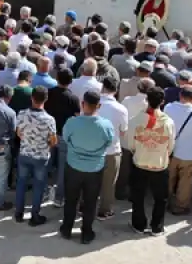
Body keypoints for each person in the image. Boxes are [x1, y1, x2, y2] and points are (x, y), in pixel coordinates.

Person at [60, 90, 114, 245]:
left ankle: (66, 229)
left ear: (83, 104)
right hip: (94, 169)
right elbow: (109, 142)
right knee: (90, 202)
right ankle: (86, 233)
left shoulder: (72, 122)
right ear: (99, 106)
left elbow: (65, 138)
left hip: (73, 166)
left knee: (71, 200)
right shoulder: (106, 125)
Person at [127, 87, 175, 235]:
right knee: (160, 198)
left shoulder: (135, 120)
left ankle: (139, 225)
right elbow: (170, 146)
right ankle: (157, 227)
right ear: (162, 102)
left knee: (138, 196)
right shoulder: (168, 122)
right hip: (159, 165)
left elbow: (130, 144)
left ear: (146, 100)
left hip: (140, 162)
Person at [14, 86, 57, 226]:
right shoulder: (49, 119)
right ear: (46, 99)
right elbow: (53, 141)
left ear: (31, 98)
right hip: (41, 157)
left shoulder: (21, 114)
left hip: (24, 153)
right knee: (39, 185)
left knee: (21, 182)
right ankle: (35, 216)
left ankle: (19, 213)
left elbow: (18, 133)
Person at [164, 86, 192, 215]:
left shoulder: (168, 108)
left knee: (168, 178)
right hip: (190, 154)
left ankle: (164, 201)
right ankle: (180, 207)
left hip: (170, 151)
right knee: (185, 182)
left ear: (180, 95)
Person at [44, 68, 81, 208]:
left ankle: (43, 191)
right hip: (65, 136)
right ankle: (59, 198)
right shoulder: (73, 98)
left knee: (46, 164)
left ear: (57, 78)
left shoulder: (48, 93)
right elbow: (77, 117)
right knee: (62, 169)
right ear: (71, 82)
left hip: (49, 134)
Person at [95, 77, 128, 220]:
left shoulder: (93, 103)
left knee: (90, 180)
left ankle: (84, 207)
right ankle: (104, 211)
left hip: (92, 149)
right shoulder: (121, 109)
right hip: (112, 150)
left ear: (103, 87)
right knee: (109, 183)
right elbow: (123, 131)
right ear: (116, 90)